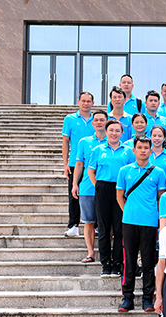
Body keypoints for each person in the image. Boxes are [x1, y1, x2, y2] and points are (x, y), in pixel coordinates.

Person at [116, 135, 166, 312]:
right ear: (134, 150)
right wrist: (128, 212)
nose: (143, 150)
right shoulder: (124, 171)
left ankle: (147, 298)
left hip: (150, 222)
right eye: (140, 147)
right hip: (129, 222)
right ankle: (127, 298)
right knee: (129, 261)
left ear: (151, 150)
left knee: (148, 262)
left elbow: (160, 198)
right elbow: (119, 196)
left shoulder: (158, 172)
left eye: (146, 148)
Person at [87, 120, 132, 278]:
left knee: (119, 228)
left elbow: (131, 172)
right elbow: (91, 171)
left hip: (120, 190)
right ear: (106, 132)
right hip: (103, 188)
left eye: (117, 130)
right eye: (111, 130)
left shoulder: (128, 151)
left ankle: (117, 263)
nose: (114, 133)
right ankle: (106, 263)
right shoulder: (98, 150)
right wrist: (98, 187)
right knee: (104, 228)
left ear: (122, 133)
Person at [72, 110, 107, 262]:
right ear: (92, 123)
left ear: (107, 122)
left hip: (107, 189)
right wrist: (75, 183)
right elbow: (79, 164)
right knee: (89, 222)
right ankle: (90, 252)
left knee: (108, 223)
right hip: (87, 188)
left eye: (102, 120)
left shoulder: (113, 141)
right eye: (96, 120)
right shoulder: (84, 142)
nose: (99, 122)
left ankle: (107, 253)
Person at [62, 91, 95, 237]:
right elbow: (65, 142)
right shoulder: (70, 119)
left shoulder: (96, 119)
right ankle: (73, 225)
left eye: (88, 101)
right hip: (75, 163)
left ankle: (95, 225)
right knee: (74, 194)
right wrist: (65, 163)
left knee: (94, 194)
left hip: (93, 164)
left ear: (93, 103)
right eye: (83, 101)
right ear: (78, 101)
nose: (86, 103)